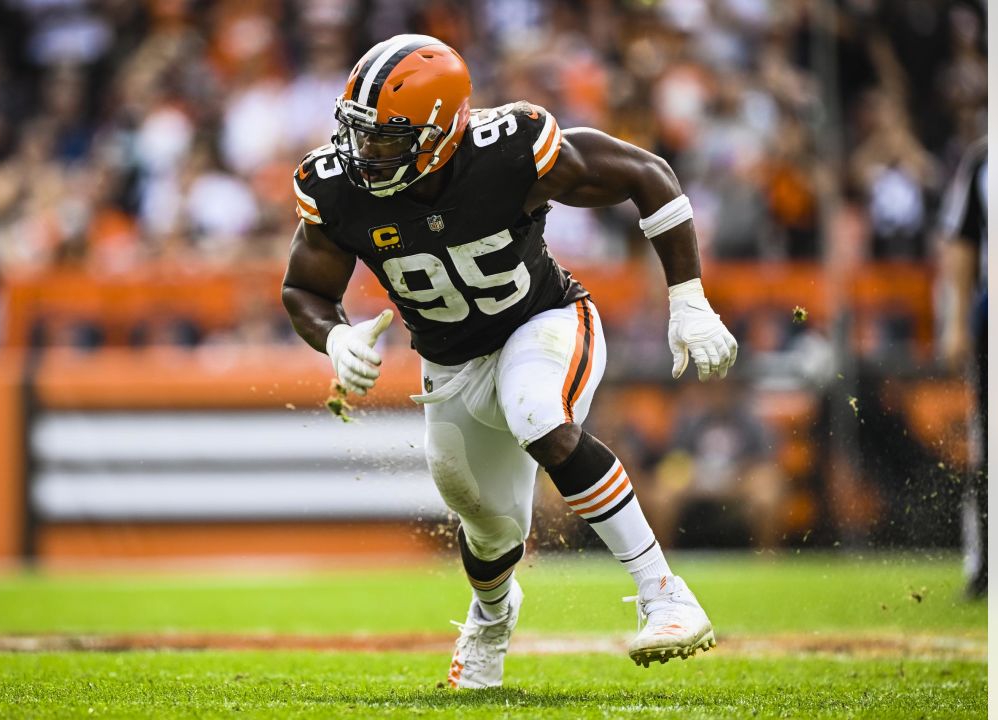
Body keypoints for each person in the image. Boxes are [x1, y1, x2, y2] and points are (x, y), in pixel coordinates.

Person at [280, 35, 739, 688]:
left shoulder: (508, 149)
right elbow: (305, 289)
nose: (364, 152)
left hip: (545, 321)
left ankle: (664, 593)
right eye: (359, 133)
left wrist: (688, 300)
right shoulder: (335, 187)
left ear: (440, 133)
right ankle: (491, 620)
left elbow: (647, 175)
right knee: (485, 519)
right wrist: (333, 337)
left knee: (537, 415)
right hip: (451, 366)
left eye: (384, 138)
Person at [644, 380, 787, 549]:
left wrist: (738, 476)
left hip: (740, 478)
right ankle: (660, 557)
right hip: (696, 478)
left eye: (723, 387)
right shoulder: (690, 418)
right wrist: (693, 475)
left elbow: (764, 460)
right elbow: (676, 458)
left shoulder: (750, 420)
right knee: (661, 494)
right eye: (713, 388)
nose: (719, 393)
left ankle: (767, 556)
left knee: (767, 492)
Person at [937, 136, 987, 599]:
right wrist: (956, 321)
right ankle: (985, 563)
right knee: (987, 445)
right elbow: (963, 240)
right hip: (997, 307)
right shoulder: (984, 158)